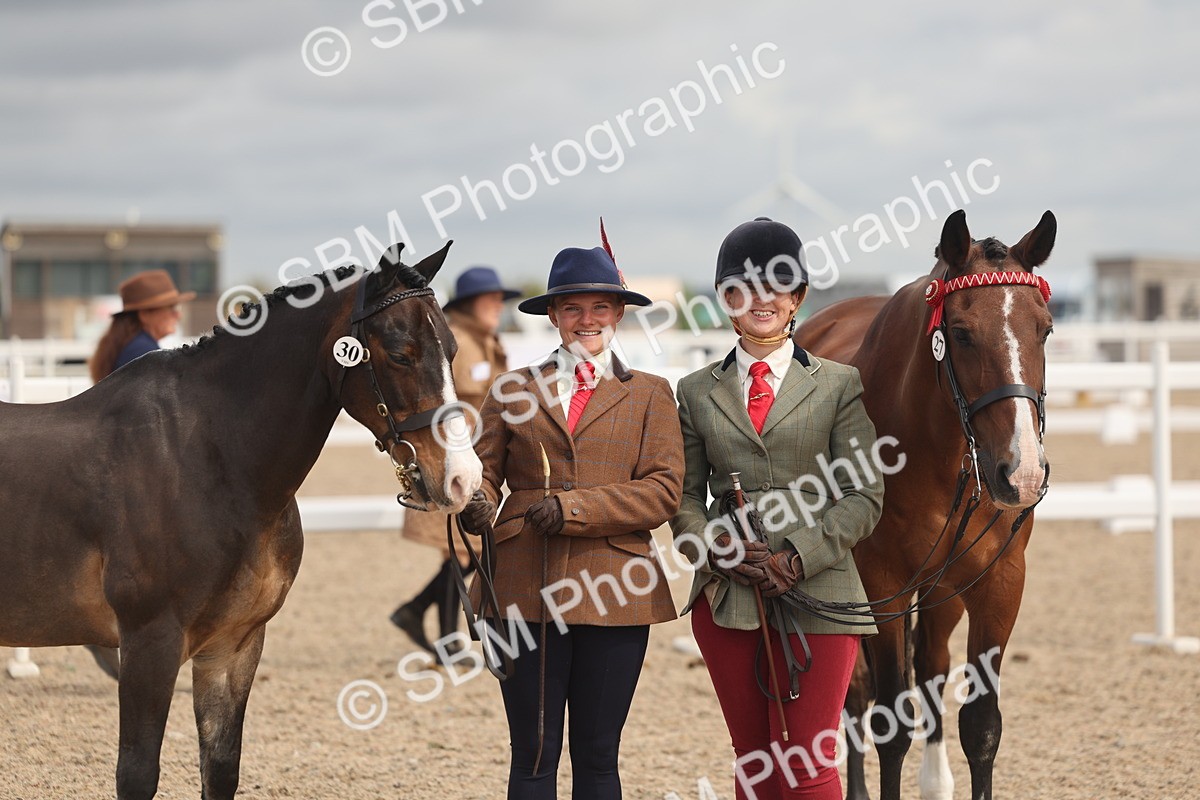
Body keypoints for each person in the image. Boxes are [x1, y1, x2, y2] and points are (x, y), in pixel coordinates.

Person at [459, 242, 684, 799]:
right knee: (532, 755)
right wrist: (477, 500)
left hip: (617, 589)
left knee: (598, 755)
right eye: (574, 309)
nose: (587, 320)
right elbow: (484, 471)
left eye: (599, 308)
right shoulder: (511, 390)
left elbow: (663, 492)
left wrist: (572, 508)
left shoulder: (651, 394)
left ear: (618, 314)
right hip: (522, 583)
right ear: (555, 316)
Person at [670, 218, 884, 800]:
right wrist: (717, 546)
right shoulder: (693, 391)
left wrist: (796, 556)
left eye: (777, 285)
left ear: (798, 298)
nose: (761, 299)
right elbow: (684, 498)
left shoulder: (840, 384)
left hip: (822, 593)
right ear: (725, 300)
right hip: (729, 595)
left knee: (809, 763)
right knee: (756, 762)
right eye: (742, 287)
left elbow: (865, 494)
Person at [390, 266, 520, 660]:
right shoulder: (461, 341)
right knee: (462, 552)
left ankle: (421, 617)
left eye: (500, 299)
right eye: (490, 299)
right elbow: (451, 405)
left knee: (464, 554)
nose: (498, 306)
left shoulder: (483, 339)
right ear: (469, 304)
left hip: (470, 458)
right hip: (450, 459)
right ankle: (442, 636)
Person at [89, 269, 193, 382]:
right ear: (145, 315)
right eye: (171, 308)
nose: (178, 315)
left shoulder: (131, 346)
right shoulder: (145, 352)